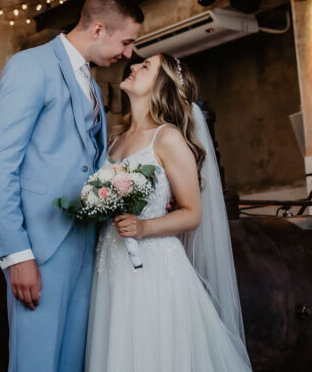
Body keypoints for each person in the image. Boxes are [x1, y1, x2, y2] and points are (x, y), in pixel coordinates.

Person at [0, 0, 144, 372]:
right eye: (126, 42)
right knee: (36, 363)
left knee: (73, 363)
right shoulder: (30, 66)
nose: (128, 53)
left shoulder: (89, 79)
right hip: (40, 249)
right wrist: (16, 254)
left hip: (86, 245)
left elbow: (88, 162)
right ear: (99, 29)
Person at [85, 53, 252, 371]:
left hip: (153, 268)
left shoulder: (168, 138)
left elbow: (192, 213)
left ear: (161, 85)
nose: (133, 66)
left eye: (144, 66)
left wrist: (143, 227)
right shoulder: (116, 139)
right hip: (111, 263)